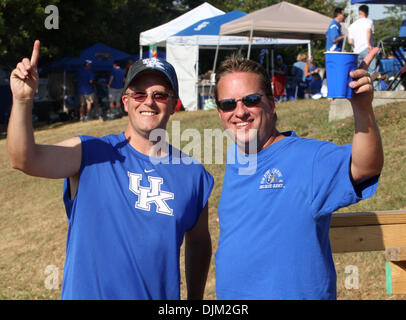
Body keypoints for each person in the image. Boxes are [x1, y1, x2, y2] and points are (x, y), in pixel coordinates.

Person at [7, 40, 214, 300]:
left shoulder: (192, 174)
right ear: (125, 101)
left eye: (160, 95)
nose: (148, 101)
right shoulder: (89, 152)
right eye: (139, 93)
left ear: (174, 104)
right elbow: (24, 159)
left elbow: (199, 241)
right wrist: (23, 99)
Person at [213, 49, 383, 299]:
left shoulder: (309, 158)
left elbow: (365, 167)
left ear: (271, 104)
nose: (239, 112)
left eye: (250, 100)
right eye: (228, 104)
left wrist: (362, 108)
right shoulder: (235, 157)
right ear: (220, 112)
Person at [348, 5, 377, 75]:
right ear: (367, 12)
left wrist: (356, 46)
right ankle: (375, 85)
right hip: (367, 49)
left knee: (360, 72)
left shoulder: (352, 25)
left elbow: (350, 41)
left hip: (357, 51)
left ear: (359, 12)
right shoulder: (369, 21)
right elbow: (368, 31)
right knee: (372, 72)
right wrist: (369, 44)